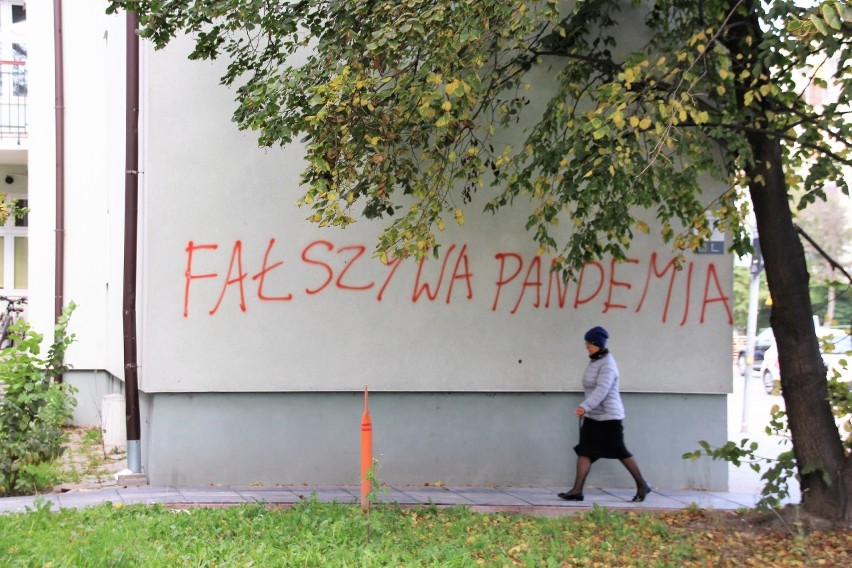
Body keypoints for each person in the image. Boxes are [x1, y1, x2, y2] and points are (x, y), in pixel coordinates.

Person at [557, 326, 652, 502]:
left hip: (609, 417)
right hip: (594, 416)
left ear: (598, 344)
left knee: (620, 451)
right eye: (586, 342)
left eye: (590, 343)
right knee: (585, 451)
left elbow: (602, 390)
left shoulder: (608, 365)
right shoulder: (595, 360)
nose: (586, 346)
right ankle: (576, 491)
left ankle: (642, 485)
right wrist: (588, 409)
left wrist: (585, 406)